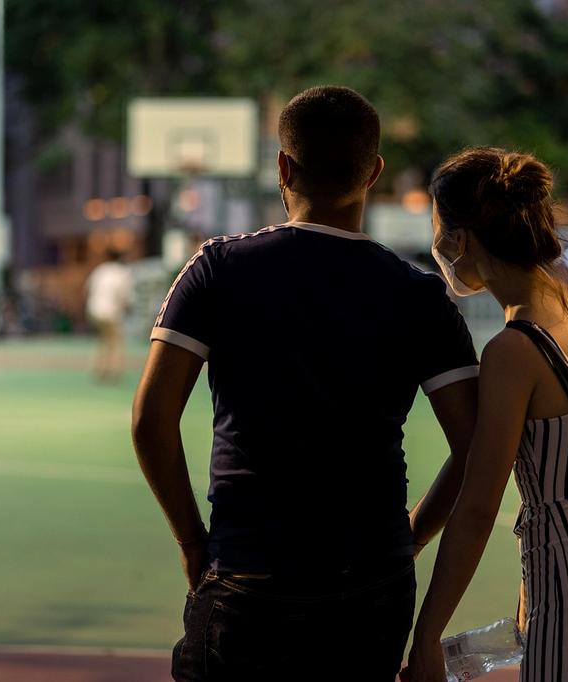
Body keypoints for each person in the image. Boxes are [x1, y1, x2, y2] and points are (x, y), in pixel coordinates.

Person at [131, 86, 480, 682]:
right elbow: (476, 444)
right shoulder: (420, 295)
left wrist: (193, 542)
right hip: (373, 586)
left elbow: (150, 420)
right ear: (374, 172)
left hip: (248, 575)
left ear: (283, 168)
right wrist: (410, 536)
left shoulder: (217, 268)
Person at [404, 147, 568, 682]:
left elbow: (478, 510)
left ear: (464, 238)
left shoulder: (513, 349)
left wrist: (427, 634)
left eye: (438, 230)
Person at [85, 249, 133, 382]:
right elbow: (125, 296)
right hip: (110, 312)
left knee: (103, 340)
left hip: (94, 309)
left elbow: (88, 289)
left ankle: (99, 369)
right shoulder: (122, 273)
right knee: (116, 342)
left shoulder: (100, 270)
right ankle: (114, 372)